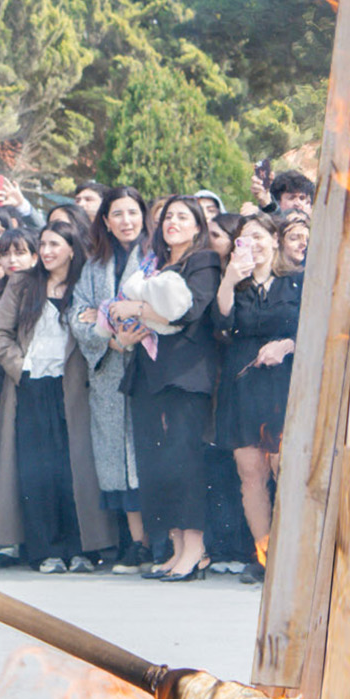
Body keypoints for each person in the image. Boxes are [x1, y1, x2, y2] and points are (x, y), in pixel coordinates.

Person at [0, 224, 116, 571]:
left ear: (72, 249)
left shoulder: (83, 286)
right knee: (35, 470)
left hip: (72, 386)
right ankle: (44, 551)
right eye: (42, 244)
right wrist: (21, 368)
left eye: (54, 245)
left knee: (73, 468)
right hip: (29, 384)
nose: (46, 251)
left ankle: (80, 549)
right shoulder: (22, 283)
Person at [123, 195, 225, 580]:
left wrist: (134, 309)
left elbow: (189, 312)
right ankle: (177, 546)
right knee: (159, 464)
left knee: (185, 460)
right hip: (148, 373)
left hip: (185, 373)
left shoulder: (203, 261)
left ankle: (196, 549)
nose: (173, 222)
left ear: (198, 225)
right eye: (168, 217)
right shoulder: (153, 263)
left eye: (183, 217)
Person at [213, 213, 299, 584]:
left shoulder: (297, 281)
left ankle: (293, 555)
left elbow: (316, 326)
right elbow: (220, 326)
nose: (255, 244)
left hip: (285, 384)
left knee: (286, 469)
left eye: (261, 236)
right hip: (243, 384)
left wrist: (287, 344)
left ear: (276, 240)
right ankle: (264, 555)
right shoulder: (235, 285)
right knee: (251, 473)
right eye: (245, 239)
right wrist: (230, 280)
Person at [71, 188, 150, 572]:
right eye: (116, 214)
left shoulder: (154, 258)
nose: (125, 221)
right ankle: (136, 543)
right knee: (117, 460)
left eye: (132, 212)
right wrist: (109, 338)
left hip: (148, 367)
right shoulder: (93, 265)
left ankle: (155, 540)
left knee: (145, 454)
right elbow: (79, 314)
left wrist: (129, 333)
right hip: (109, 368)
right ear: (105, 220)